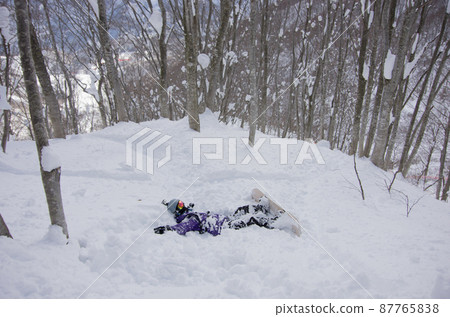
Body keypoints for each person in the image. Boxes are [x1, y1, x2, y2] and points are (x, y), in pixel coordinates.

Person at [154, 198, 278, 236]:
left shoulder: (188, 213)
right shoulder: (188, 221)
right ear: (177, 211)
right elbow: (181, 228)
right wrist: (168, 228)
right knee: (250, 219)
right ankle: (274, 222)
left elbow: (188, 210)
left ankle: (261, 208)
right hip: (224, 227)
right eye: (180, 205)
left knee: (241, 210)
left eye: (182, 202)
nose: (183, 205)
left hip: (225, 219)